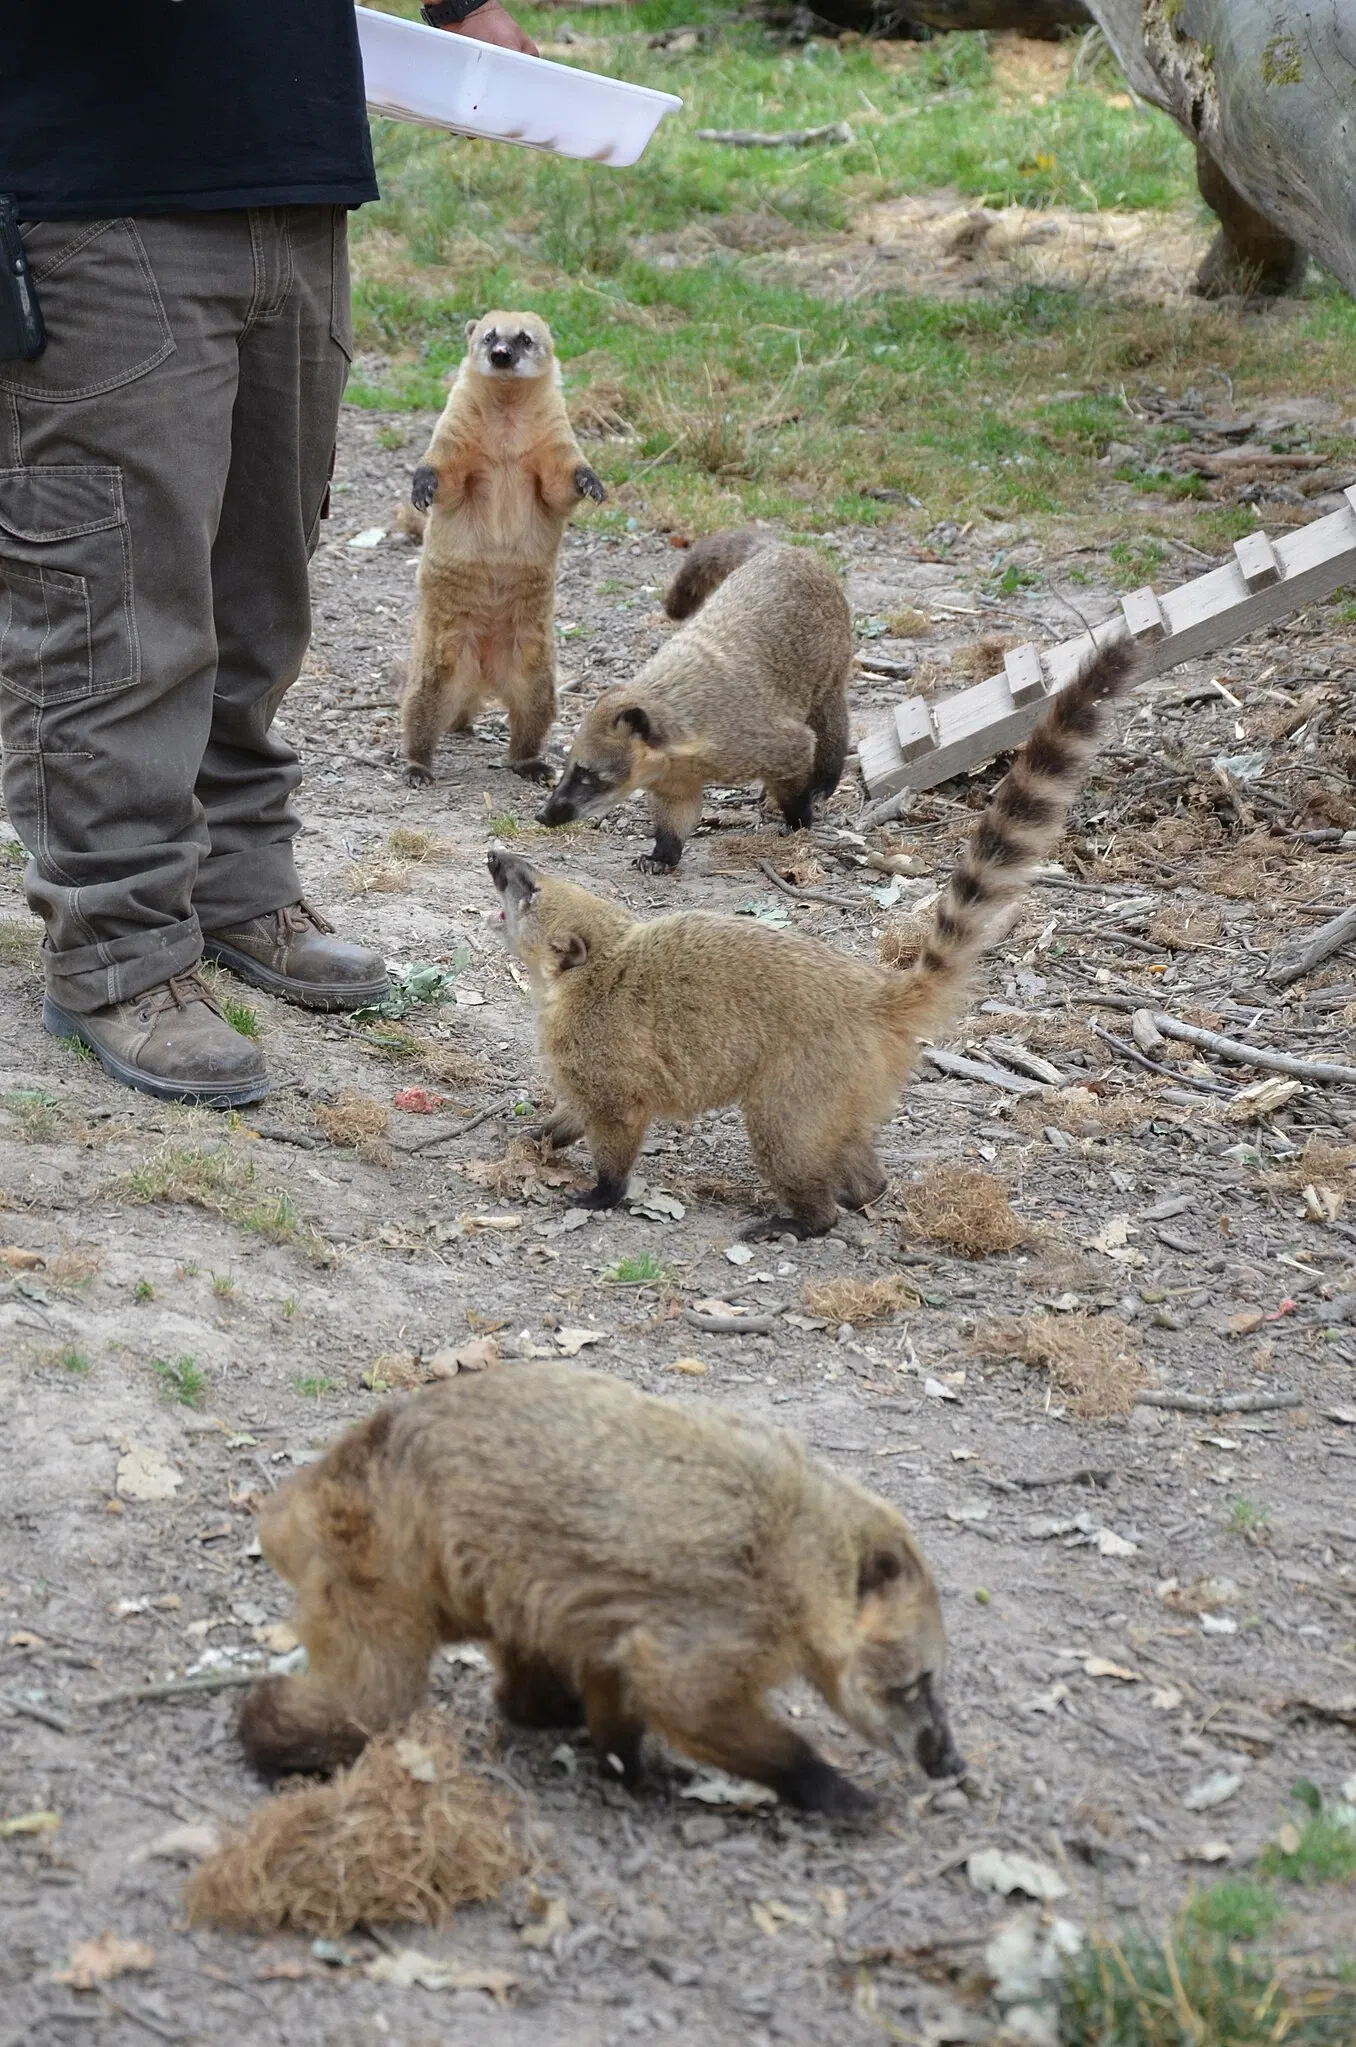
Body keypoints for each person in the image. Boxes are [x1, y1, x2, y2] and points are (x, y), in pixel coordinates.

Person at [0, 0, 537, 1107]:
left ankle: (235, 879)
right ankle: (118, 945)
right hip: (92, 184)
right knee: (114, 601)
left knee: (263, 580)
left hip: (293, 167)